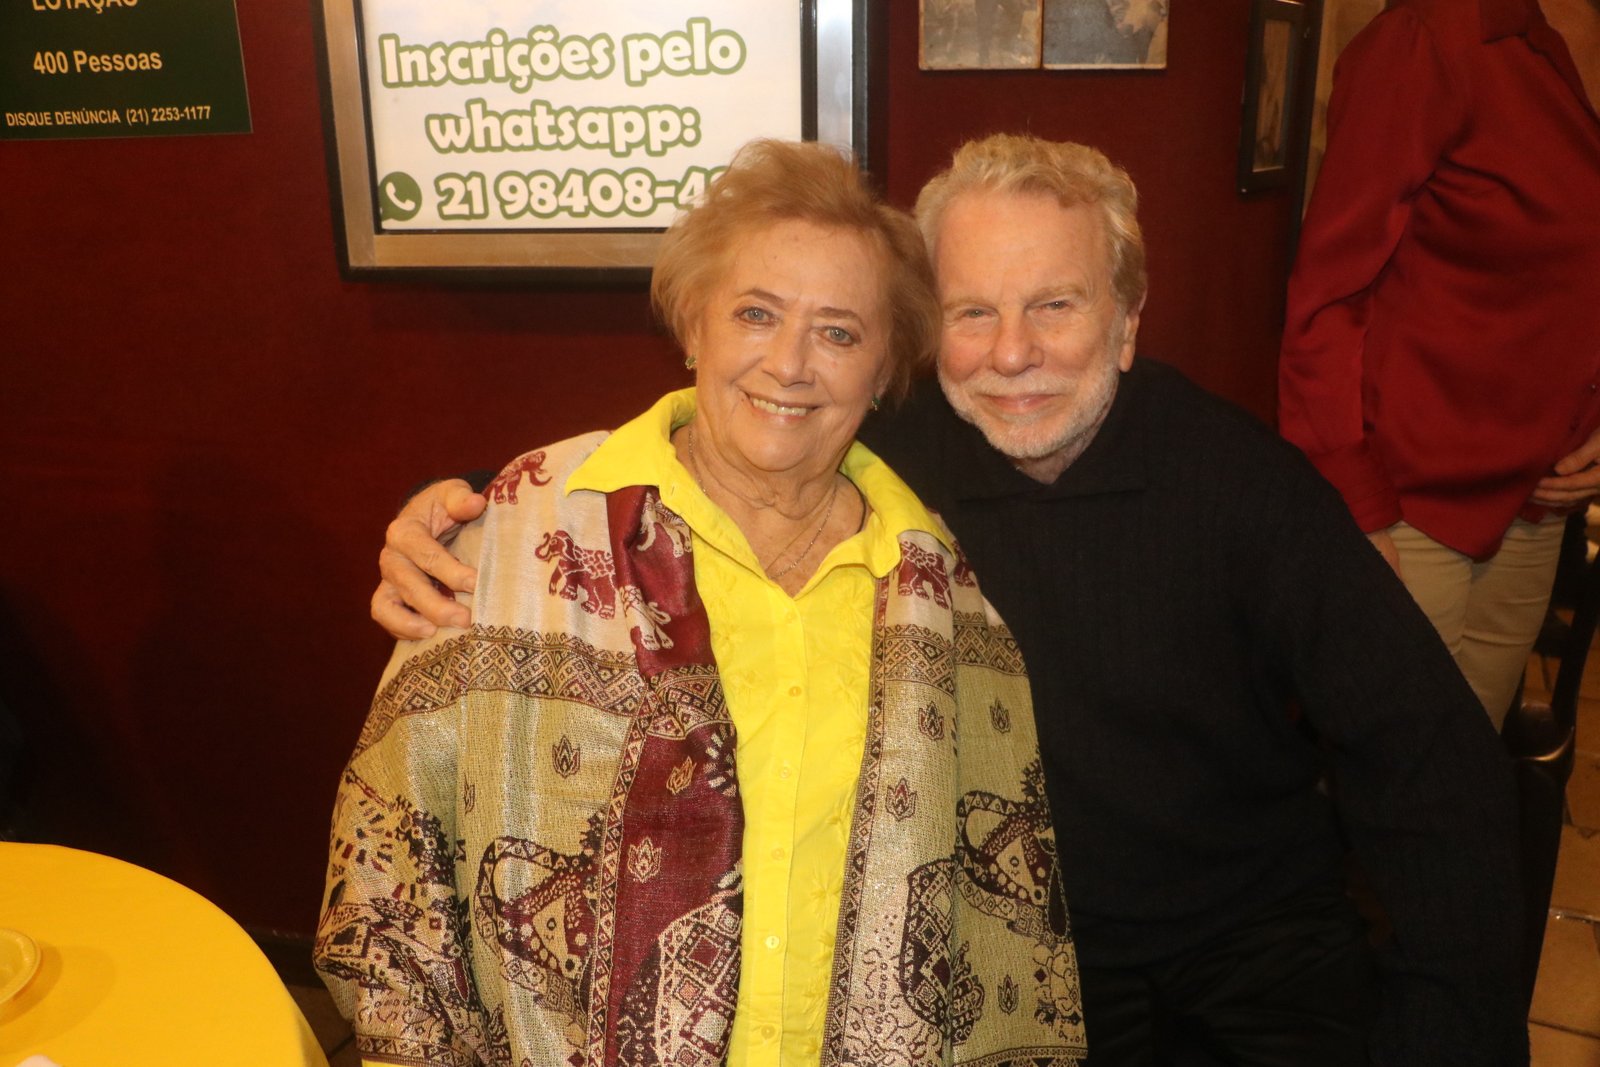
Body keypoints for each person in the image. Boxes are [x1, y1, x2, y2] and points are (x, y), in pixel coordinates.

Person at [371, 134, 1527, 1066]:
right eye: (972, 311)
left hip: (1252, 941)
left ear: (1127, 318)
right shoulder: (887, 456)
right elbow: (715, 437)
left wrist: (1449, 1023)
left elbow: (1429, 760)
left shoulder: (1243, 487)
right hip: (1023, 958)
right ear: (922, 341)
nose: (1012, 353)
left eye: (1057, 306)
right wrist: (470, 504)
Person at [316, 140, 1088, 1067]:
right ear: (695, 326)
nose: (791, 364)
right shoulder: (520, 538)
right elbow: (388, 870)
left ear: (886, 371)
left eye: (839, 332)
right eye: (756, 313)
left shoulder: (944, 597)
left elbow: (1000, 930)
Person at [1279, 0, 1600, 727]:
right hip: (1406, 510)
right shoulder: (1436, 35)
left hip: (1538, 505)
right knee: (1393, 790)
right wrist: (1351, 509)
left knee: (1460, 786)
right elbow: (1329, 290)